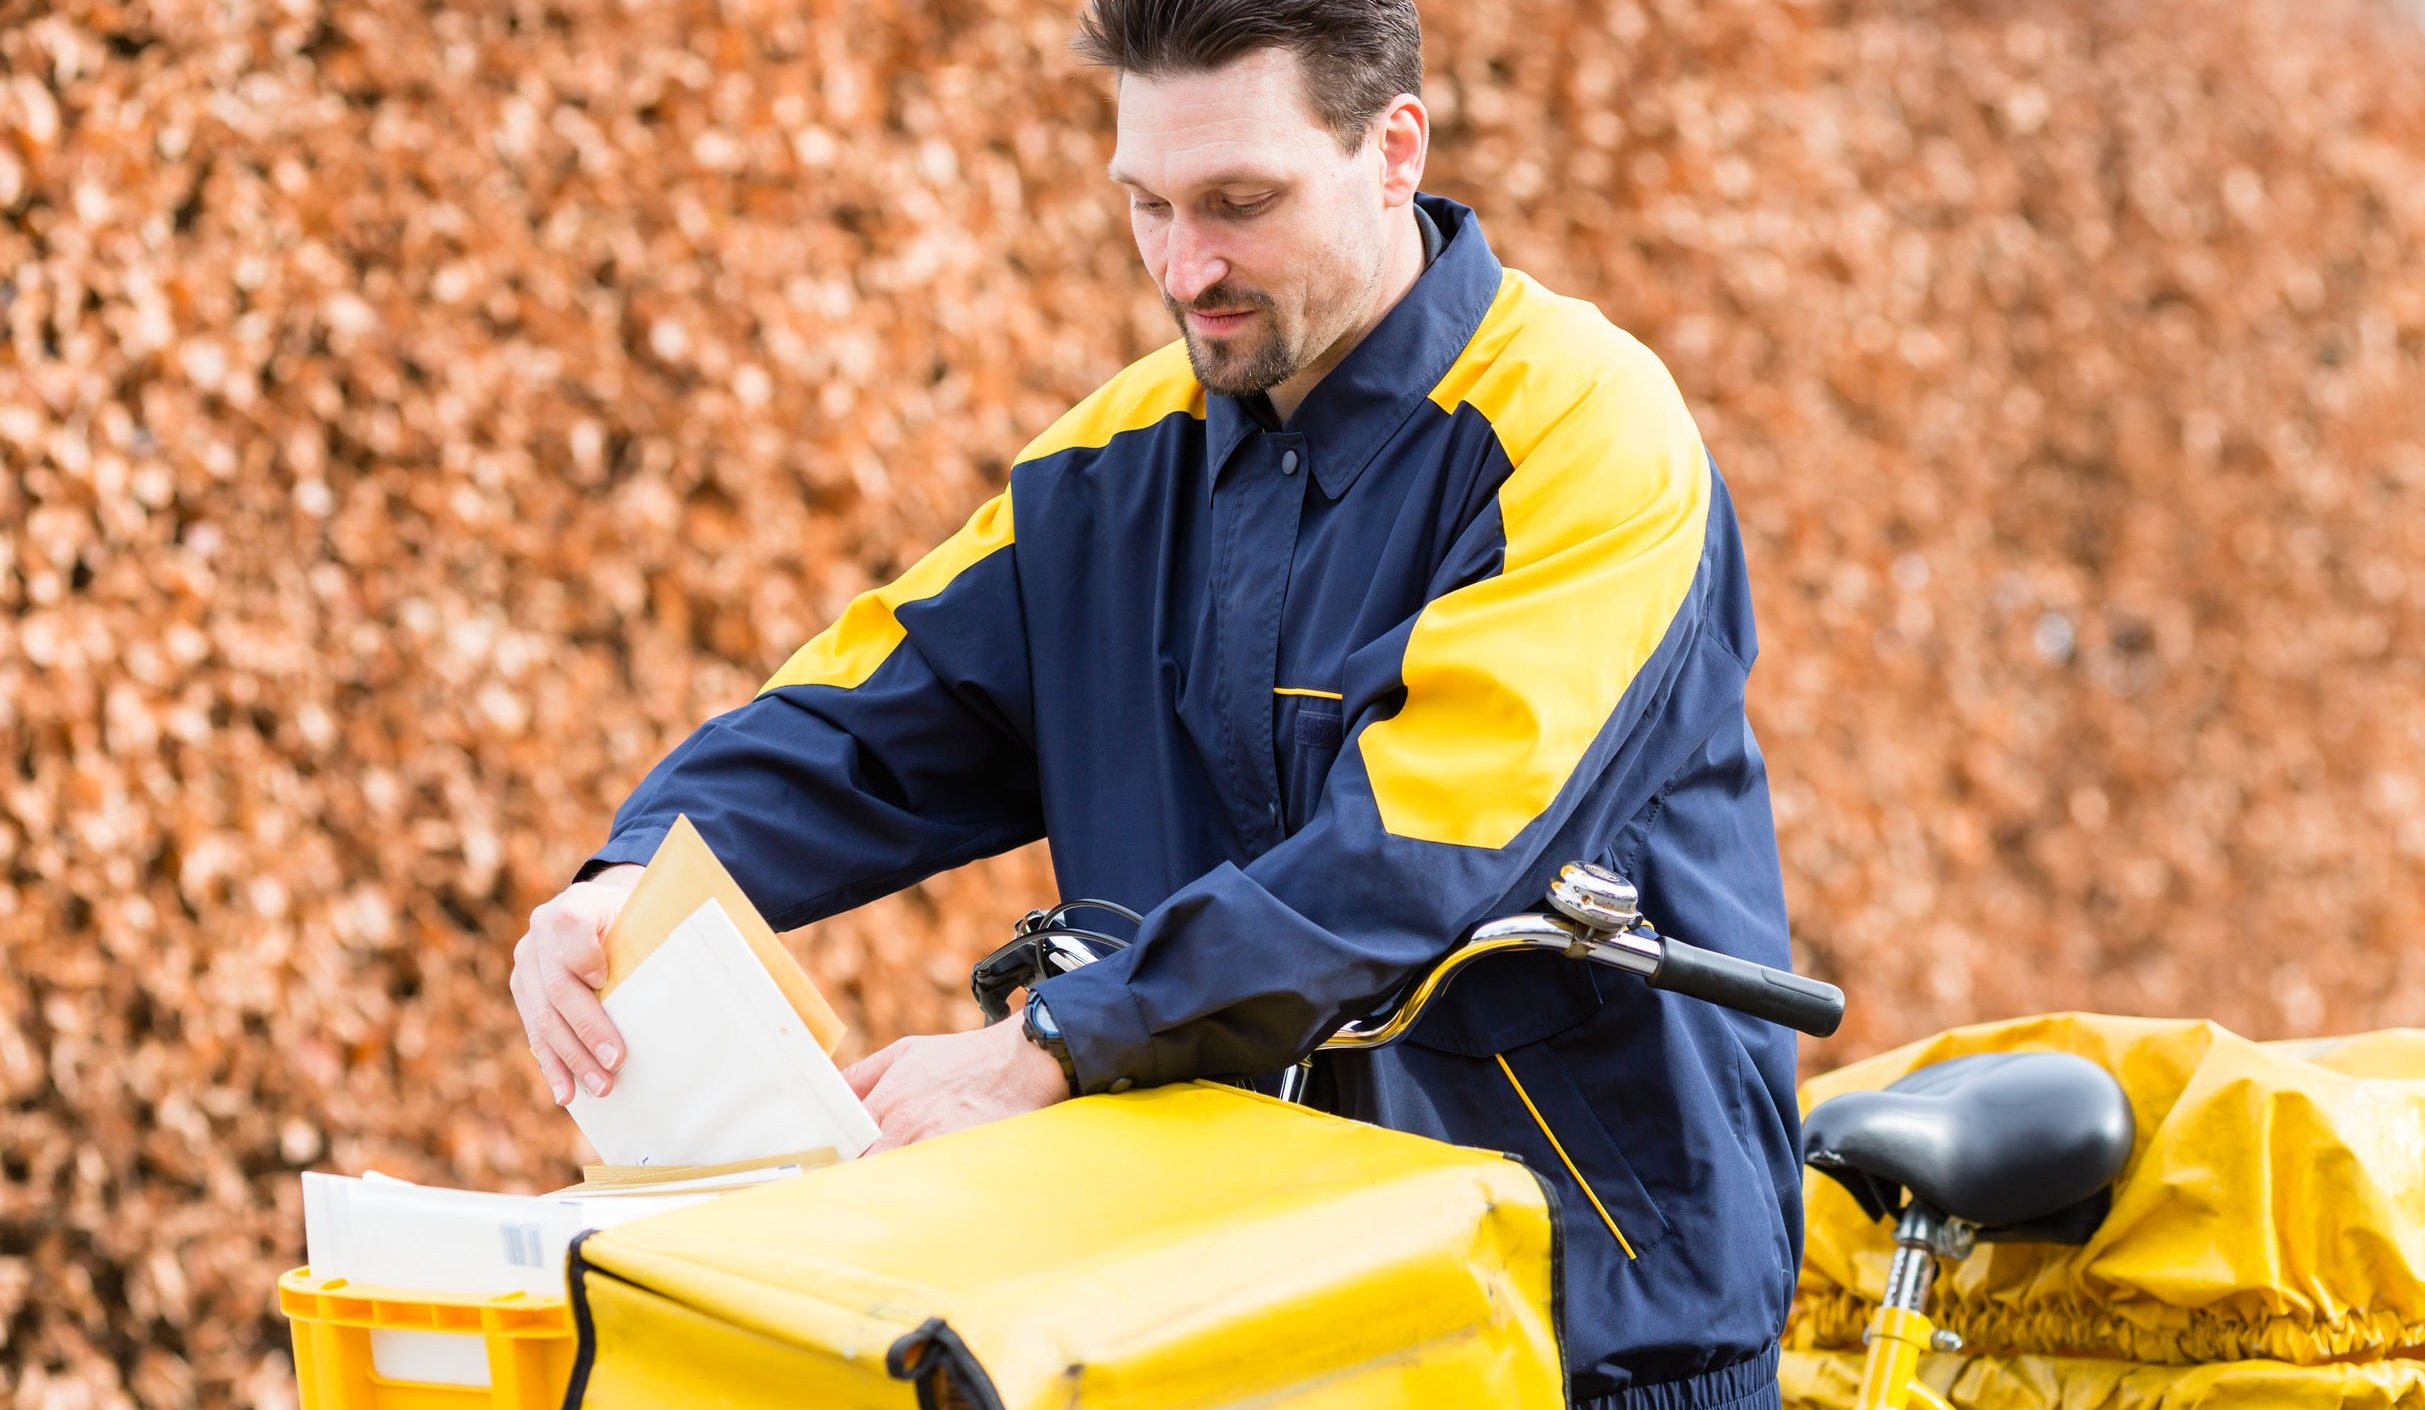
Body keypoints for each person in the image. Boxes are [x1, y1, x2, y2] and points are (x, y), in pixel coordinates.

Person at [510, 2, 1801, 1404]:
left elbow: (1409, 857)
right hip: (1226, 1308)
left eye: (1241, 203)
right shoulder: (1116, 461)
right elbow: (873, 707)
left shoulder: (1582, 433)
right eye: (1149, 205)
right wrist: (632, 879)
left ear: (1393, 151)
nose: (1189, 267)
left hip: (1579, 1321)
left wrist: (1050, 1043)